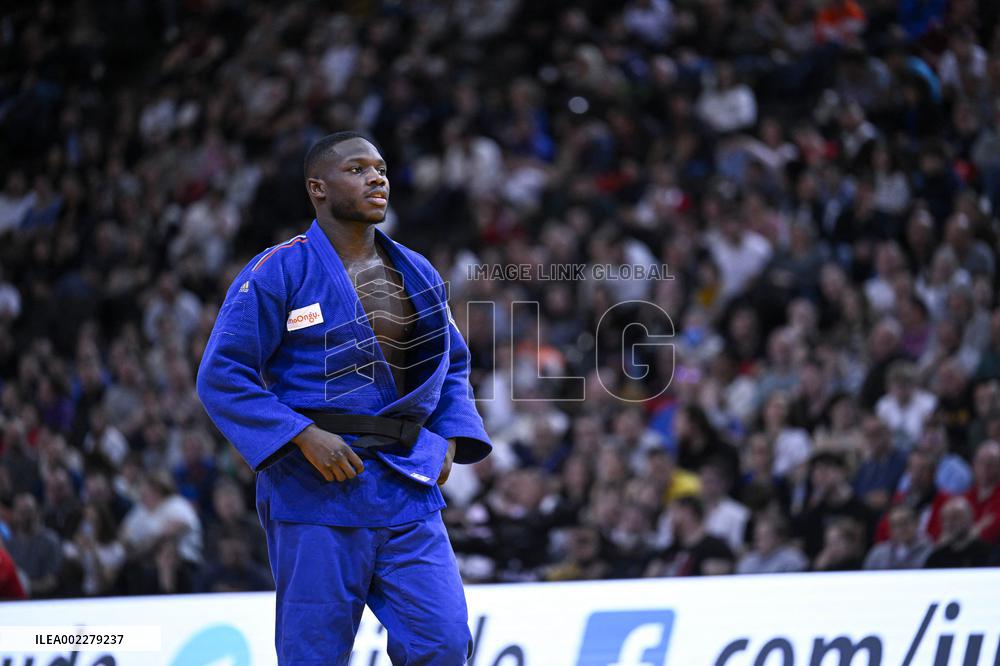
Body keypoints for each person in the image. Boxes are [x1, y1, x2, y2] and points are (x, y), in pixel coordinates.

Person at [197, 132, 491, 665]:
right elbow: (223, 375)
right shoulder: (279, 271)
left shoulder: (418, 271)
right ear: (318, 188)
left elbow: (454, 365)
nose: (377, 178)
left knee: (444, 643)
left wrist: (450, 435)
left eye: (379, 168)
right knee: (315, 655)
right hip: (317, 490)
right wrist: (301, 435)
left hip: (406, 483)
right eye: (357, 170)